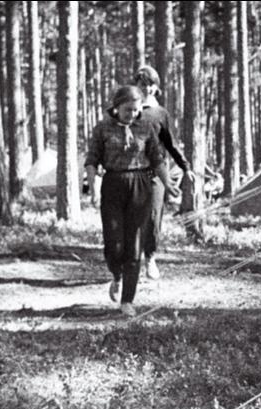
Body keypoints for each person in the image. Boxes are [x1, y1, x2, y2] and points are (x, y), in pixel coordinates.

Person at [85, 85, 172, 317]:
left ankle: (127, 300)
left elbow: (156, 158)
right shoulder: (102, 128)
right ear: (116, 107)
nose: (132, 114)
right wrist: (93, 187)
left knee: (134, 245)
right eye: (128, 110)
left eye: (135, 110)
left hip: (141, 186)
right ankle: (116, 275)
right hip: (113, 185)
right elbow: (92, 159)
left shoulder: (145, 126)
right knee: (114, 244)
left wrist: (168, 183)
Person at [133, 65, 196, 280]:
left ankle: (150, 258)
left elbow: (171, 144)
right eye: (142, 84)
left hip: (155, 173)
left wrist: (185, 166)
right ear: (137, 86)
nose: (147, 88)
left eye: (150, 84)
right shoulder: (127, 110)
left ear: (156, 87)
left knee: (152, 217)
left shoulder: (160, 114)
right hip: (130, 172)